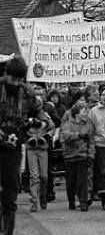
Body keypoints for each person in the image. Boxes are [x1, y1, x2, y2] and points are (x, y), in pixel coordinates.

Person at [0, 56, 49, 235]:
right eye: (13, 79)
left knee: (10, 193)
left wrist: (38, 123)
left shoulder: (28, 93)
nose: (16, 83)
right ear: (6, 75)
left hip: (13, 149)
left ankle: (7, 231)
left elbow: (44, 117)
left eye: (20, 80)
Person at [60, 104, 95, 212]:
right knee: (71, 181)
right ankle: (71, 201)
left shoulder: (88, 125)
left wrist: (91, 155)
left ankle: (83, 201)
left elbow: (91, 142)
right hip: (69, 156)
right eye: (83, 111)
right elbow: (66, 136)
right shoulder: (67, 124)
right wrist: (78, 135)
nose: (86, 113)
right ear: (77, 113)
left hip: (82, 155)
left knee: (82, 180)